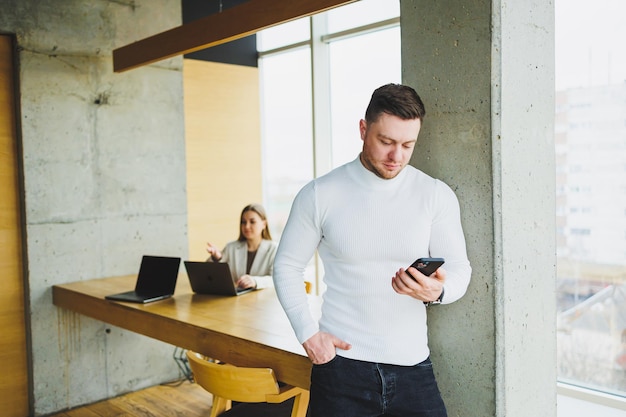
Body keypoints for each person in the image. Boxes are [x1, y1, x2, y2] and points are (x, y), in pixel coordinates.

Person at [273, 83, 472, 417]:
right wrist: (308, 334)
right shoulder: (320, 194)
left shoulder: (435, 194)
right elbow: (286, 266)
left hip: (413, 367)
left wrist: (438, 291)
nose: (397, 156)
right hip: (341, 369)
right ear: (363, 129)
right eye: (386, 142)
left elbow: (459, 268)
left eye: (408, 145)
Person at [206, 203, 277, 290]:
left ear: (264, 224)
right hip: (236, 300)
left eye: (252, 222)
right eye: (243, 222)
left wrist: (255, 281)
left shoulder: (274, 249)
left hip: (262, 301)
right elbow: (212, 276)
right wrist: (217, 258)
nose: (247, 226)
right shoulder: (231, 247)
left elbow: (277, 279)